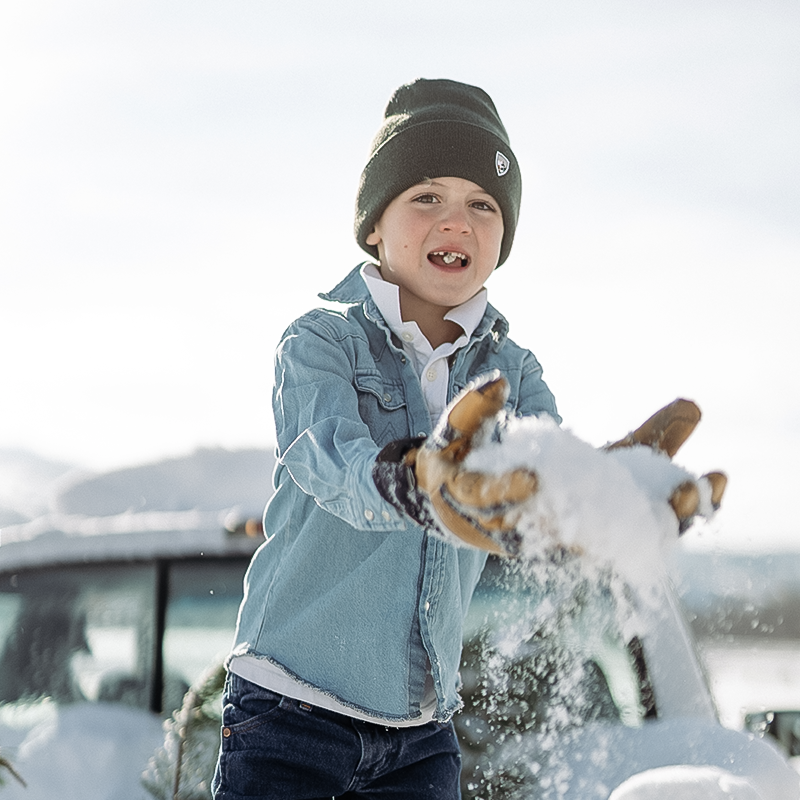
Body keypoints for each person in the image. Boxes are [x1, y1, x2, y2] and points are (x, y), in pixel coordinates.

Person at [211, 77, 562, 800]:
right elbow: (325, 456)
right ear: (375, 223)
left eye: (482, 205)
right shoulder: (321, 343)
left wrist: (625, 502)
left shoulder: (513, 372)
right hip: (287, 713)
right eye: (427, 196)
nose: (455, 223)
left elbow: (549, 480)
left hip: (421, 734)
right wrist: (411, 478)